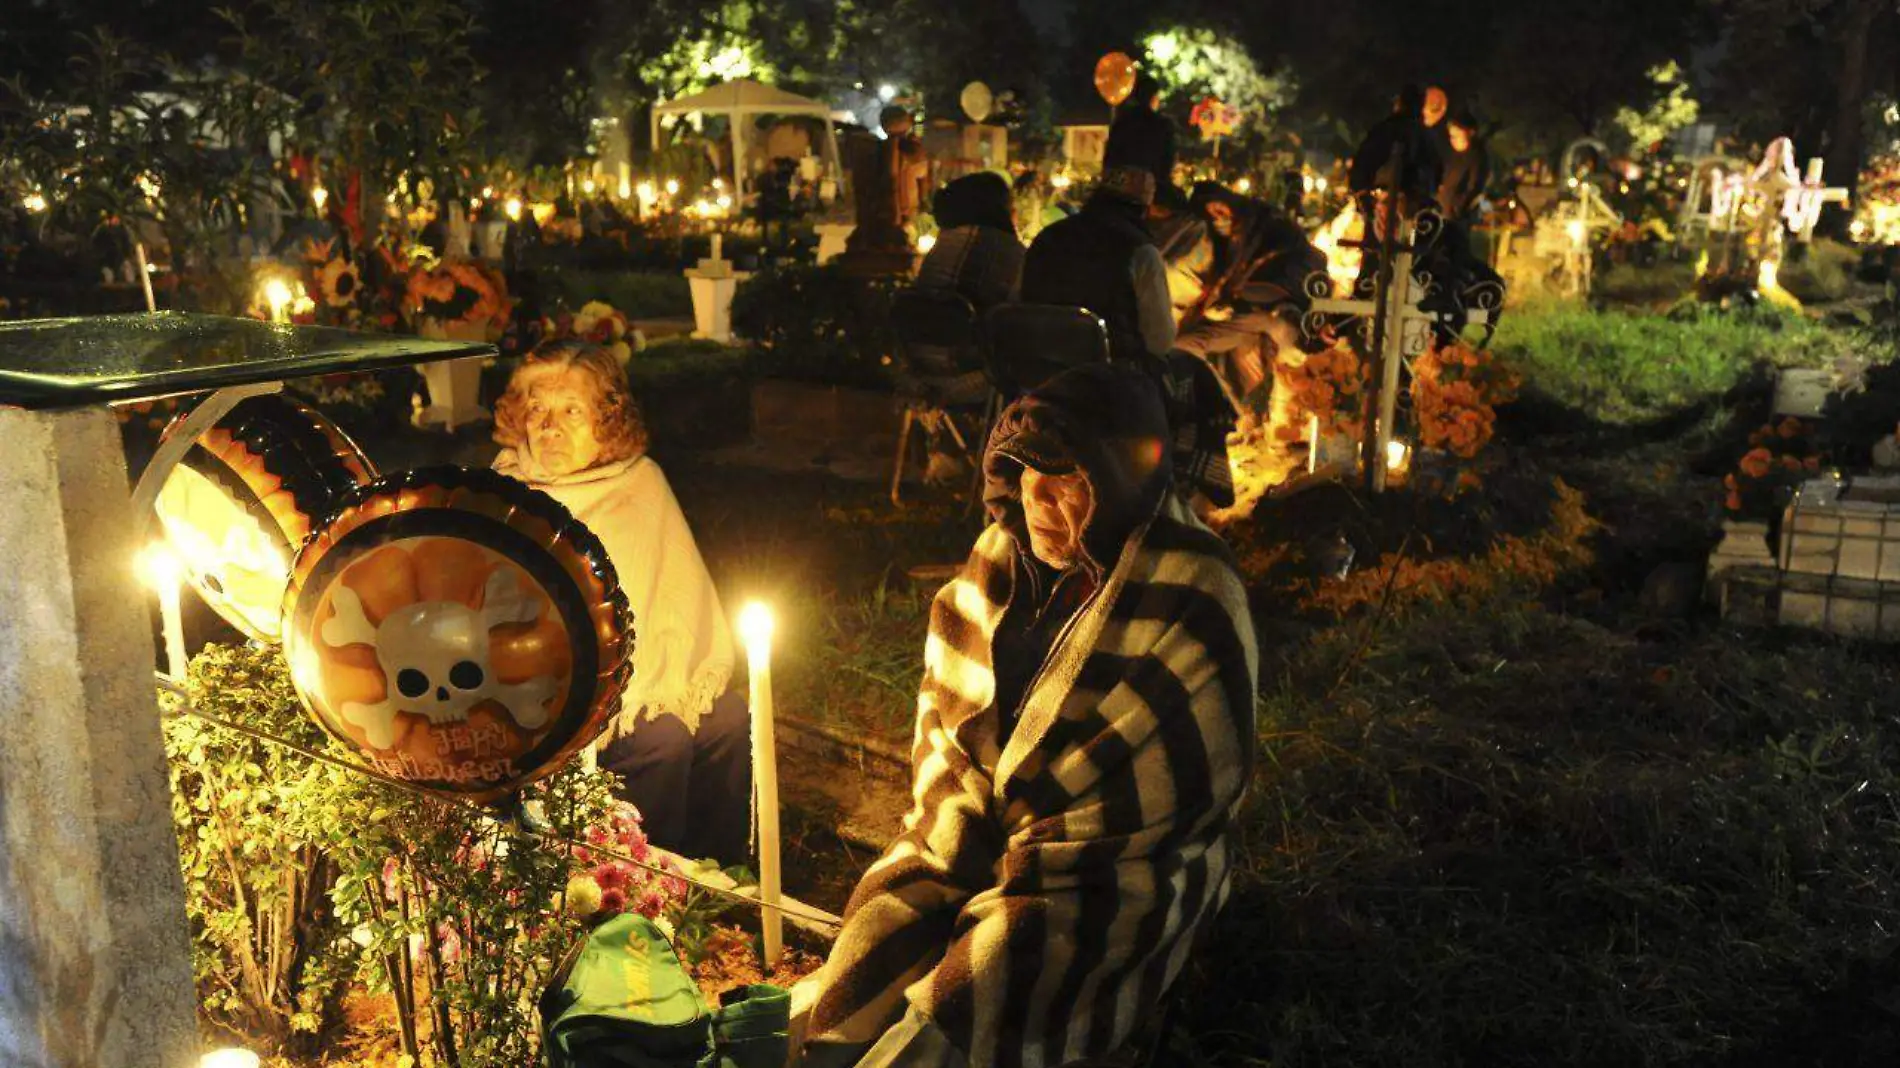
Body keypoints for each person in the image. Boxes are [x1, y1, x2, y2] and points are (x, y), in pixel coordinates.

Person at [804, 363, 1259, 1068]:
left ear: (1117, 481)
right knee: (876, 934)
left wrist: (1022, 869)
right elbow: (951, 733)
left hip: (1109, 868)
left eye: (1067, 482)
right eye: (1025, 480)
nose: (1041, 504)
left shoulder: (1190, 590)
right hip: (982, 829)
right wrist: (958, 840)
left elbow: (1160, 798)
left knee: (981, 992)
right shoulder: (998, 557)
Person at [492, 342, 750, 866]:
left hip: (647, 674)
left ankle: (719, 880)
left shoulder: (641, 483)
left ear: (606, 422)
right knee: (663, 741)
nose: (549, 427)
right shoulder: (505, 491)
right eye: (537, 409)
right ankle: (641, 888)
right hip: (552, 694)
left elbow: (676, 596)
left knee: (726, 717)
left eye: (572, 411)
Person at [1173, 182, 1327, 423]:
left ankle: (1258, 420)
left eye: (1218, 209)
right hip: (1252, 319)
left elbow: (1278, 284)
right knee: (1187, 344)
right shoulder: (1232, 237)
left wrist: (1239, 303)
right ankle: (1234, 414)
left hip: (1285, 316)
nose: (1217, 216)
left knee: (1288, 384)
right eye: (1210, 213)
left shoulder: (1264, 228)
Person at [1019, 164, 1175, 364]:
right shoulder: (1141, 252)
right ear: (1144, 210)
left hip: (1037, 366)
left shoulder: (1046, 237)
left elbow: (1018, 301)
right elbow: (1160, 342)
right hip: (1109, 379)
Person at [916, 171, 1024, 316]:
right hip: (976, 333)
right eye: (1010, 206)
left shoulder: (948, 240)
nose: (1015, 212)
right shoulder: (1007, 248)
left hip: (922, 330)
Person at [1104, 71, 1177, 204]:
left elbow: (1110, 155)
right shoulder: (1162, 124)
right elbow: (1167, 161)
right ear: (1154, 98)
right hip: (1149, 188)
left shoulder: (1122, 121)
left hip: (1119, 187)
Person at [1437, 110, 1489, 220]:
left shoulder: (1477, 157)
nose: (1454, 140)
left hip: (1459, 216)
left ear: (1470, 133)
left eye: (1458, 135)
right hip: (1441, 210)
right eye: (1452, 136)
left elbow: (1474, 187)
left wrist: (1458, 207)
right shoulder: (1449, 154)